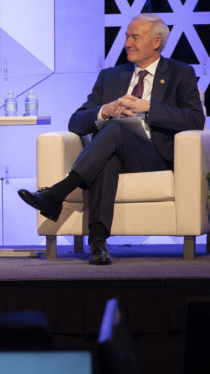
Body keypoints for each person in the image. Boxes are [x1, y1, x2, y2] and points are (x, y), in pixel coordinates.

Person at [17, 14, 204, 265]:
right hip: (112, 152)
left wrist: (147, 107)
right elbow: (76, 122)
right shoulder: (110, 76)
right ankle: (98, 244)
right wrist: (106, 109)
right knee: (109, 157)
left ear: (156, 41)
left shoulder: (181, 73)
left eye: (134, 37)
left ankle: (57, 193)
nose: (127, 43)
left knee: (114, 130)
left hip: (154, 157)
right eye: (127, 36)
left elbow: (195, 120)